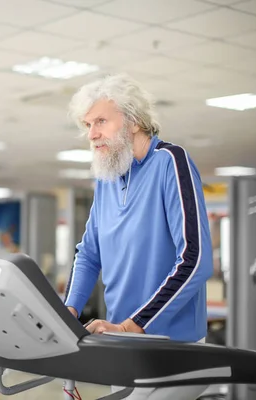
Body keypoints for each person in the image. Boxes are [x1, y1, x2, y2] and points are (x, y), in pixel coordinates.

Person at [63, 73, 214, 400]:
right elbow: (89, 254)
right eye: (88, 125)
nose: (92, 134)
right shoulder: (107, 178)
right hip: (124, 343)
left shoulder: (170, 162)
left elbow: (195, 260)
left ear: (133, 121)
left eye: (101, 121)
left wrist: (134, 325)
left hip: (173, 346)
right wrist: (67, 313)